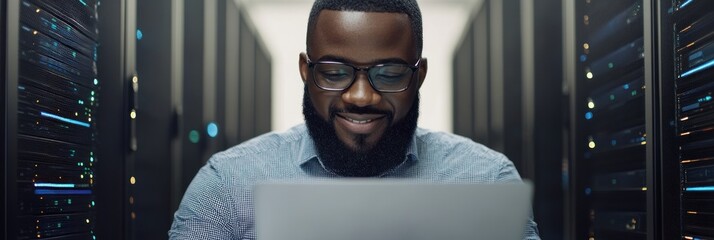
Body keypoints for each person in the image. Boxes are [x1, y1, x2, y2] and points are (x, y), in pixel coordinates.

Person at [169, 0, 540, 239]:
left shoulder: (487, 182)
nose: (361, 97)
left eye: (390, 73)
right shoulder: (229, 186)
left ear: (419, 75)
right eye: (334, 72)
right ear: (305, 70)